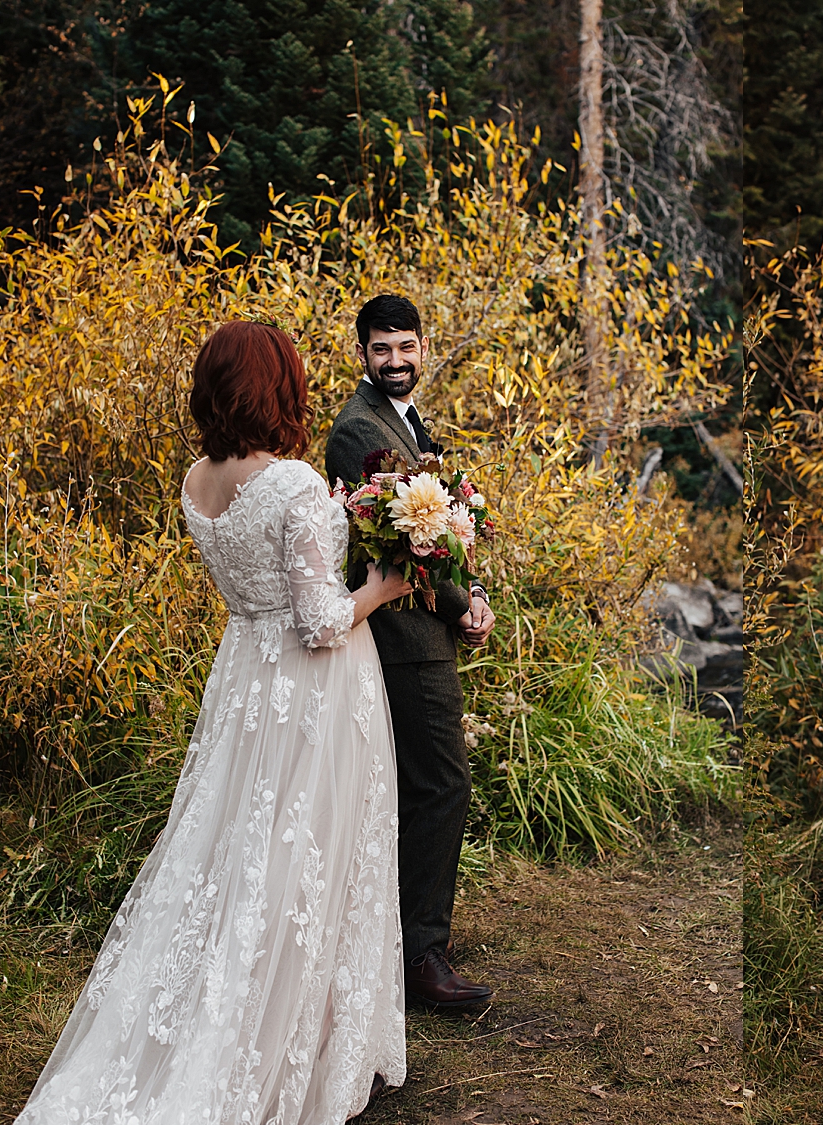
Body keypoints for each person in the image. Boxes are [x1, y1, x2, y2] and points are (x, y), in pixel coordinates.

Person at [18, 320, 413, 1124]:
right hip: (311, 692)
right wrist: (384, 586)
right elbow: (320, 618)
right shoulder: (295, 481)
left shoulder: (198, 479)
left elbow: (260, 580)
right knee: (310, 856)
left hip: (243, 682)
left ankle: (265, 1015)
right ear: (280, 386)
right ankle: (292, 1043)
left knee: (237, 855)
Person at [324, 294, 496, 1012]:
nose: (395, 361)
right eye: (381, 349)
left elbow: (446, 524)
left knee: (411, 789)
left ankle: (399, 944)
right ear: (361, 352)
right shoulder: (358, 431)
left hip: (421, 629)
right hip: (405, 639)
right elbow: (409, 541)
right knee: (439, 787)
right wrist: (465, 607)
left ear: (425, 347)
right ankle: (421, 955)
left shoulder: (404, 417)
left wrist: (476, 583)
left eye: (406, 347)